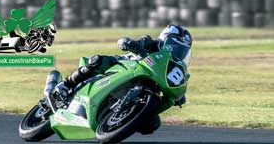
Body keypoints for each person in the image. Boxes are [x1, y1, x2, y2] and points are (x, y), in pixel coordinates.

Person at [54, 25, 192, 107]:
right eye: (176, 47)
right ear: (166, 40)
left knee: (152, 125)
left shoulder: (172, 65)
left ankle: (119, 118)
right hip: (125, 65)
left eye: (182, 51)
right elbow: (130, 42)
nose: (178, 53)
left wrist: (178, 95)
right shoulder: (150, 42)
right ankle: (66, 84)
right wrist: (130, 43)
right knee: (98, 61)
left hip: (149, 83)